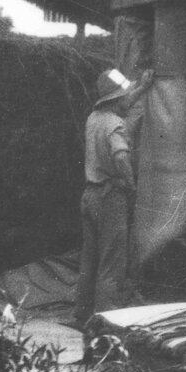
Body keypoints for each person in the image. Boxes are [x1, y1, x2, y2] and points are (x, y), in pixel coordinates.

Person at [74, 68, 153, 326]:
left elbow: (123, 104)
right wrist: (130, 183)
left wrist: (140, 88)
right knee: (111, 263)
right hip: (110, 197)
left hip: (89, 195)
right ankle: (107, 324)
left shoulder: (94, 118)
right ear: (116, 99)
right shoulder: (116, 125)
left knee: (90, 259)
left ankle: (82, 315)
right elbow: (120, 155)